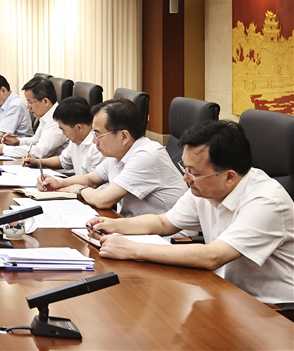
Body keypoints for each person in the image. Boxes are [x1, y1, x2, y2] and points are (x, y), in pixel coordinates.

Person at [88, 120, 294, 304]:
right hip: (225, 292)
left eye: (193, 172)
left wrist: (132, 249)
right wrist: (114, 225)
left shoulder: (266, 201)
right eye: (185, 168)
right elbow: (164, 223)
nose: (186, 178)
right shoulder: (206, 187)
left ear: (229, 177)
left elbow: (213, 256)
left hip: (271, 309)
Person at [38, 99, 186, 217]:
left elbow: (103, 200)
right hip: (133, 226)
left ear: (124, 136)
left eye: (98, 135)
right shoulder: (118, 153)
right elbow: (90, 179)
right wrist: (59, 183)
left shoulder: (146, 155)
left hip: (169, 238)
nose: (94, 141)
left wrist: (80, 190)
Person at [0, 76, 67, 158]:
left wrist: (3, 149)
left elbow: (39, 151)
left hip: (52, 167)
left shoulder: (58, 120)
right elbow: (35, 140)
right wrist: (17, 141)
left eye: (30, 102)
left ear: (45, 101)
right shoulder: (47, 115)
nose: (28, 107)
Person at [24, 97, 104, 175]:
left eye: (64, 129)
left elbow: (93, 180)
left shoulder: (99, 146)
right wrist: (37, 162)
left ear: (79, 127)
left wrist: (60, 182)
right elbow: (61, 161)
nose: (63, 133)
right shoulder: (76, 139)